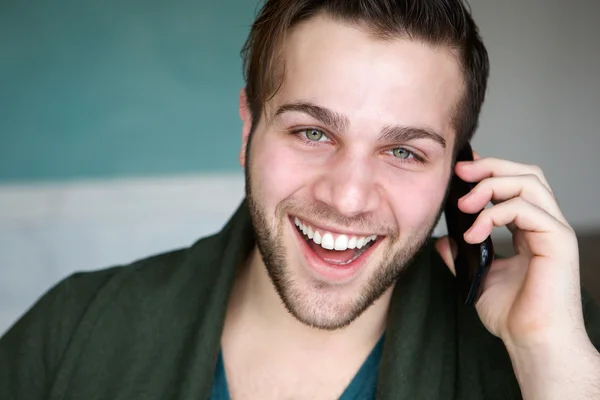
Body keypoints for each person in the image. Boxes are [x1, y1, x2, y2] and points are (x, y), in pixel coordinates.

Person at [2, 0, 600, 399]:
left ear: (457, 176)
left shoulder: (560, 350)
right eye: (313, 133)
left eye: (404, 152)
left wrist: (550, 357)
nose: (346, 196)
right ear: (248, 129)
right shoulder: (72, 331)